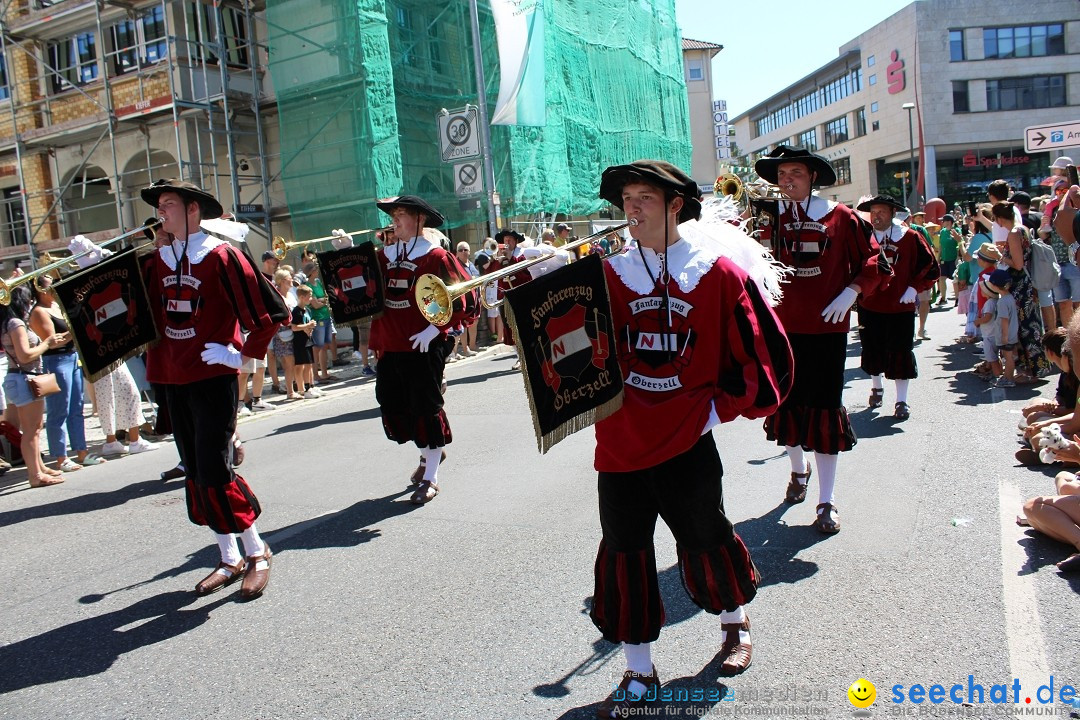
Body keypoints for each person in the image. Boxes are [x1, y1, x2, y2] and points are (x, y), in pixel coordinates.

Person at [587, 160, 792, 717]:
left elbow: (763, 354)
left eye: (645, 197)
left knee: (705, 534)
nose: (632, 207)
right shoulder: (605, 273)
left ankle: (734, 623)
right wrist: (546, 289)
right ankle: (638, 668)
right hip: (620, 439)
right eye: (626, 197)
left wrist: (718, 412)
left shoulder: (718, 273)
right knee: (625, 548)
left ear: (676, 204)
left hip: (686, 435)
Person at [141, 178, 287, 599]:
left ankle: (257, 551)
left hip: (212, 377)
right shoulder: (154, 261)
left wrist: (239, 357)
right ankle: (228, 556)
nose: (160, 212)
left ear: (192, 210)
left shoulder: (222, 256)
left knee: (214, 466)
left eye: (168, 204)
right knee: (195, 468)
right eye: (160, 205)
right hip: (172, 377)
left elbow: (272, 312)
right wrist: (94, 268)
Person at [756, 145, 889, 534]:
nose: (787, 180)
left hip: (828, 330)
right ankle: (799, 471)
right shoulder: (766, 217)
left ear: (813, 177)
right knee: (786, 407)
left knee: (826, 410)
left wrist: (852, 292)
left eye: (795, 172)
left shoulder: (842, 216)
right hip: (782, 327)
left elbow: (875, 260)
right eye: (781, 175)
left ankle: (826, 501)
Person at [369, 195, 473, 504]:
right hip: (391, 344)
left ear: (420, 220)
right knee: (393, 403)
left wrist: (436, 328)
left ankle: (430, 477)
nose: (396, 219)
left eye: (402, 214)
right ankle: (430, 455)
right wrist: (345, 263)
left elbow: (462, 299)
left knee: (425, 409)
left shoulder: (437, 256)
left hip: (424, 345)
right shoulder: (383, 256)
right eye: (395, 214)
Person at [856, 195, 939, 420]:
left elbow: (930, 267)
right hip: (870, 305)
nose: (877, 216)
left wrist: (914, 288)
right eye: (873, 212)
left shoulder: (911, 237)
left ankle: (901, 401)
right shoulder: (863, 238)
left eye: (881, 211)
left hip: (900, 307)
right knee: (872, 350)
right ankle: (876, 387)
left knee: (901, 353)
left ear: (893, 213)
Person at [1, 285, 70, 487]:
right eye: (29, 299)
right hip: (24, 378)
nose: (31, 303)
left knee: (35, 428)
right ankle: (35, 475)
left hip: (21, 378)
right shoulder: (16, 324)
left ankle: (39, 468)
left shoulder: (11, 322)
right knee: (31, 430)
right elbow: (24, 355)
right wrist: (47, 343)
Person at [29, 275, 98, 471]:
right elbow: (53, 340)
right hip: (56, 360)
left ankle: (82, 452)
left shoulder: (57, 307)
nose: (56, 289)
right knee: (59, 410)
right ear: (41, 290)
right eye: (52, 286)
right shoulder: (39, 312)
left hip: (72, 357)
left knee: (76, 407)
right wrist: (76, 329)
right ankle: (61, 457)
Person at [993, 201, 1050, 381]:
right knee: (1032, 326)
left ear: (1000, 218)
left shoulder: (1014, 233)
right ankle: (1037, 368)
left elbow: (1017, 264)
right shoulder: (1023, 228)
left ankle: (1031, 370)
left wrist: (1001, 257)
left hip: (1020, 286)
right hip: (1027, 283)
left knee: (1023, 328)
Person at [302, 261, 335, 385]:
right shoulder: (308, 286)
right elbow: (315, 304)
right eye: (315, 270)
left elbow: (326, 297)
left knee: (325, 346)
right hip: (318, 318)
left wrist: (322, 301)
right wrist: (323, 301)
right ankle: (315, 375)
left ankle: (324, 373)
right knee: (317, 348)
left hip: (326, 316)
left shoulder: (319, 283)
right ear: (312, 272)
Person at [986, 269, 1019, 387]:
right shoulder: (1010, 298)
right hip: (1012, 333)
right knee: (1008, 357)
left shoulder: (1002, 302)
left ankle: (1009, 379)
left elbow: (1005, 320)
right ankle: (1007, 376)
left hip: (1007, 335)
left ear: (995, 285)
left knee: (1008, 357)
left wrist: (1004, 336)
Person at [291, 285, 317, 399]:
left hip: (308, 340)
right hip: (300, 342)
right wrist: (307, 325)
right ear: (301, 297)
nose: (310, 298)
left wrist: (311, 325)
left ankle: (310, 386)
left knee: (309, 364)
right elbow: (294, 327)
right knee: (303, 365)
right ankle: (305, 388)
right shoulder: (296, 311)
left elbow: (307, 323)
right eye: (309, 296)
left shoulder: (307, 310)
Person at [936, 214, 960, 306]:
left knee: (955, 279)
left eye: (943, 221)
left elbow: (959, 244)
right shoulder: (942, 232)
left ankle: (957, 298)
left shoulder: (956, 231)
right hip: (944, 259)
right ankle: (943, 298)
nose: (942, 222)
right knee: (942, 278)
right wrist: (938, 258)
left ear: (949, 222)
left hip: (953, 259)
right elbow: (941, 246)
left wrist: (958, 258)